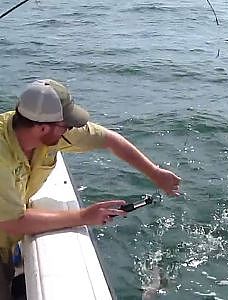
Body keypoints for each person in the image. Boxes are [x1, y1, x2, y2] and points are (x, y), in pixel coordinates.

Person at [0, 79, 181, 299]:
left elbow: (109, 139)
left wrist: (155, 173)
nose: (72, 130)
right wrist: (84, 216)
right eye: (66, 125)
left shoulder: (46, 132)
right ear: (43, 127)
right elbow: (11, 222)